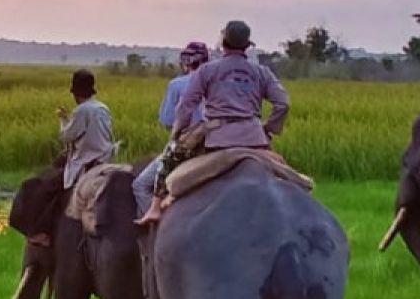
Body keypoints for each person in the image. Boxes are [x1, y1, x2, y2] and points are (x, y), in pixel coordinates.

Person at [136, 20, 289, 225]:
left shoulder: (207, 71)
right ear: (247, 45)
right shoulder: (262, 72)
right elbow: (283, 104)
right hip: (254, 137)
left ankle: (154, 208)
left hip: (218, 136)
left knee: (168, 159)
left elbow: (186, 106)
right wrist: (268, 128)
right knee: (285, 173)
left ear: (223, 42)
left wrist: (177, 133)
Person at [20, 70, 116, 247]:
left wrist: (63, 120)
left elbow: (66, 136)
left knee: (44, 190)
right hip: (105, 161)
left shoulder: (81, 110)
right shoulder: (103, 108)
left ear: (75, 93)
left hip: (85, 164)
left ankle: (40, 232)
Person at [131, 42, 209, 216]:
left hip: (187, 147)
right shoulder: (215, 83)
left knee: (141, 185)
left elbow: (167, 120)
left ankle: (153, 226)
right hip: (218, 144)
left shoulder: (177, 84)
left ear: (185, 63)